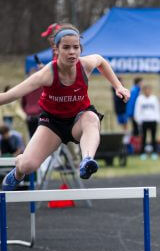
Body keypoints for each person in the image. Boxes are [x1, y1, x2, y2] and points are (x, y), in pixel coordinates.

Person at [0, 24, 130, 191]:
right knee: (28, 166)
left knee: (92, 118)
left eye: (76, 47)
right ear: (56, 50)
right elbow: (11, 95)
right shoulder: (46, 74)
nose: (72, 52)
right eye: (66, 48)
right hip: (52, 124)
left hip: (78, 119)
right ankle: (18, 169)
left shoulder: (85, 65)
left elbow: (101, 61)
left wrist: (118, 86)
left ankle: (87, 160)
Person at [134, 84, 160, 160]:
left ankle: (154, 153)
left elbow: (157, 109)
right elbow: (137, 110)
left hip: (153, 120)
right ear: (144, 91)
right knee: (143, 138)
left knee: (153, 138)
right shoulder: (140, 99)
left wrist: (158, 119)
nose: (147, 91)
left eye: (149, 90)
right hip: (144, 121)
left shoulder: (154, 98)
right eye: (146, 90)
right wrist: (138, 120)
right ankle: (142, 153)